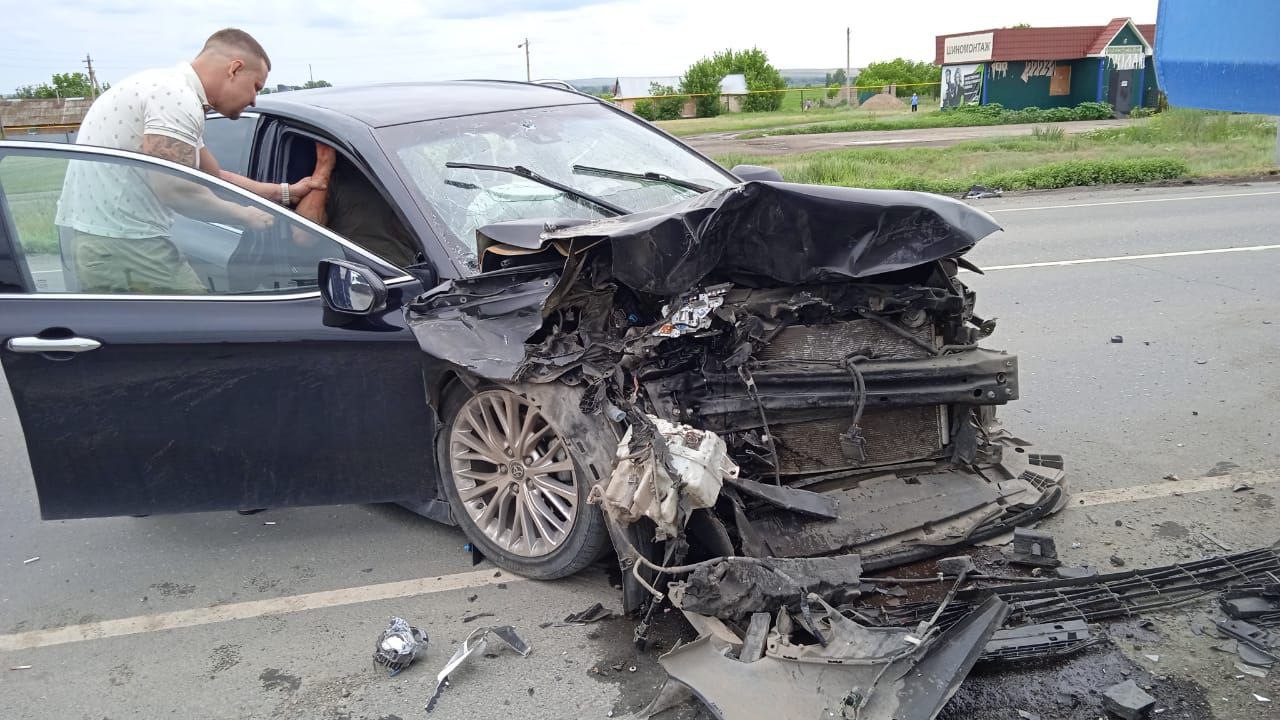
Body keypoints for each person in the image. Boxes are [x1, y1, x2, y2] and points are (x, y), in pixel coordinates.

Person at [55, 28, 324, 293]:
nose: (254, 100)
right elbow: (176, 191)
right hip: (126, 245)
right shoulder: (175, 98)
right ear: (234, 69)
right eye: (255, 86)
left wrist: (284, 192)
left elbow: (213, 176)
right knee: (201, 319)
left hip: (107, 240)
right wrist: (244, 216)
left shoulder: (166, 89)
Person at [293, 142, 420, 268]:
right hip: (355, 275)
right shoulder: (337, 182)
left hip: (408, 273)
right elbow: (303, 235)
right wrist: (323, 166)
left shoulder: (409, 184)